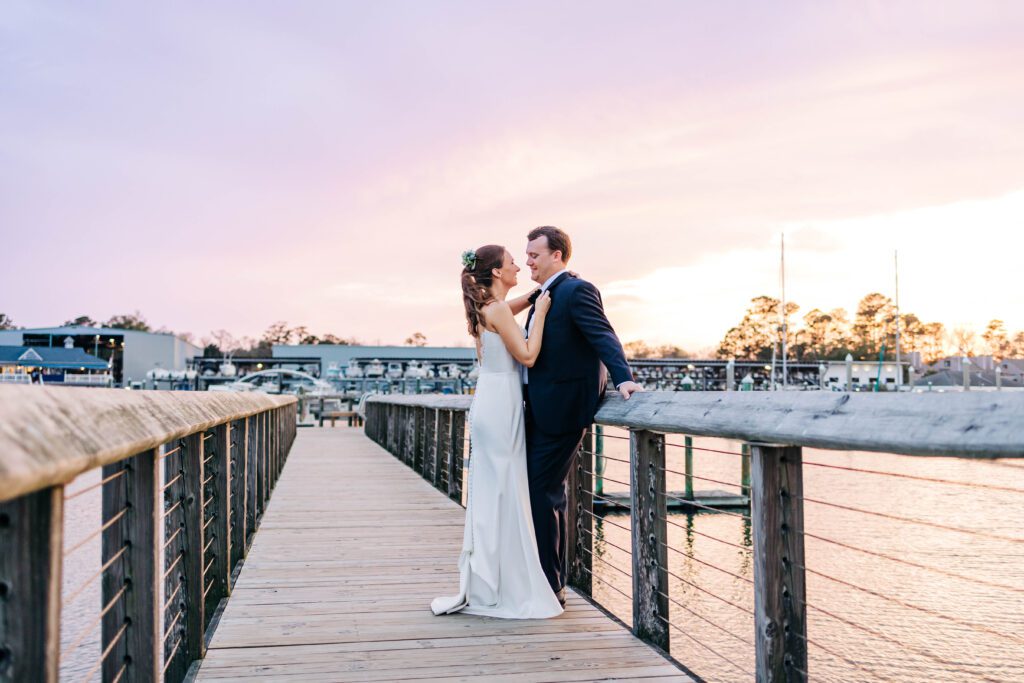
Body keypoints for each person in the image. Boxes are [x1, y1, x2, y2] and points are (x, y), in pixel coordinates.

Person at [430, 244, 563, 618]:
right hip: (502, 401)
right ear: (496, 272)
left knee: (494, 486)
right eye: (511, 263)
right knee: (506, 485)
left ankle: (488, 577)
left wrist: (534, 297)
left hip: (489, 399)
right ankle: (507, 581)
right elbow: (528, 356)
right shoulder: (498, 310)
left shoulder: (485, 307)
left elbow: (509, 309)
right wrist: (541, 316)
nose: (519, 266)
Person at [522, 226, 642, 606]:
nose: (528, 261)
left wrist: (623, 378)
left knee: (544, 492)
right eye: (526, 255)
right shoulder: (541, 296)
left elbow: (602, 335)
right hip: (537, 407)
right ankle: (542, 578)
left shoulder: (577, 289)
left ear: (557, 255)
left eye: (534, 255)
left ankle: (551, 584)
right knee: (538, 492)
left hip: (564, 409)